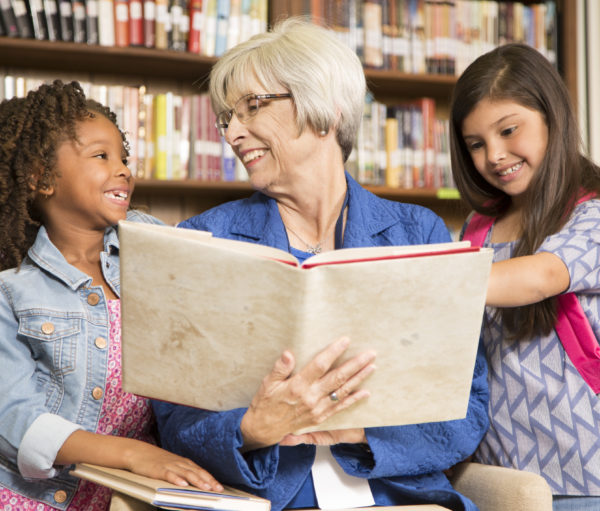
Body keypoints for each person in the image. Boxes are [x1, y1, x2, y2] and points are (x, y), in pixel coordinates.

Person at [153, 18, 489, 511]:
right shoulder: (205, 240)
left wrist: (360, 431)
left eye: (253, 106)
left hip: (397, 499)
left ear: (326, 110)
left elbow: (466, 407)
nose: (233, 133)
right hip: (262, 499)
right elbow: (174, 418)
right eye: (227, 117)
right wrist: (251, 429)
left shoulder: (418, 233)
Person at [0, 80, 222, 510]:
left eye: (124, 157)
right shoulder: (11, 293)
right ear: (40, 177)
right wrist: (134, 454)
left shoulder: (150, 247)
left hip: (123, 499)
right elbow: (15, 422)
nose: (123, 169)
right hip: (32, 499)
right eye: (101, 156)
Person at [449, 43, 600, 510]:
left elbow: (539, 277)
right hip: (504, 479)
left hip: (583, 475)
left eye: (508, 130)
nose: (494, 155)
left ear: (551, 116)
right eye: (476, 144)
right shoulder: (478, 229)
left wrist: (425, 284)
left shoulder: (590, 213)